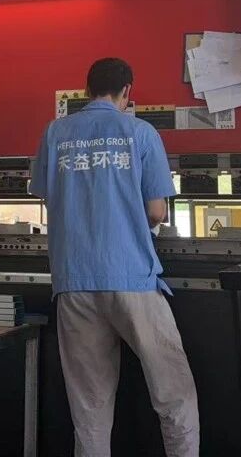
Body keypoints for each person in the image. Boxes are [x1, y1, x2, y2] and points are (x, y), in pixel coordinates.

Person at [30, 57, 200, 457]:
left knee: (89, 407)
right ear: (127, 92)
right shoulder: (140, 132)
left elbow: (48, 196)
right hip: (132, 278)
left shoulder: (55, 133)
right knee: (173, 393)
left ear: (86, 90)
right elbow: (156, 211)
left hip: (74, 280)